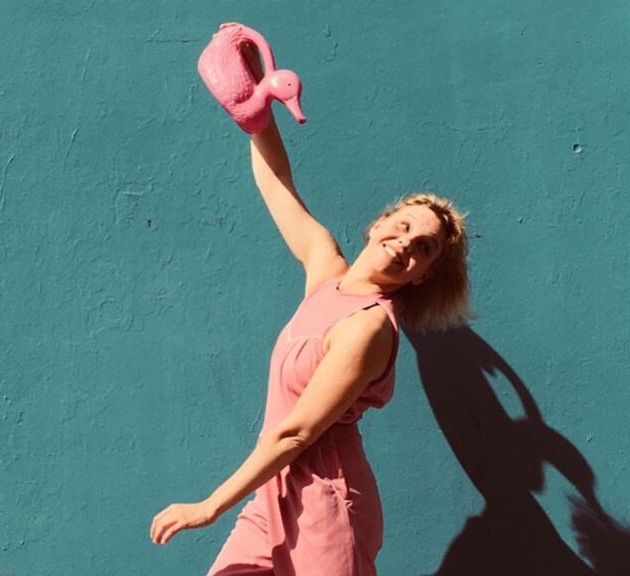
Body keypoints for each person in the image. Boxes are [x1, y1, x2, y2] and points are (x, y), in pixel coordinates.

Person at [149, 35, 472, 575]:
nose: (406, 243)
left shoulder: (369, 327)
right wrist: (251, 97)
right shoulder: (326, 271)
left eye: (424, 249)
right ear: (378, 224)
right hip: (270, 493)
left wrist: (208, 506)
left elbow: (296, 432)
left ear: (423, 274)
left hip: (327, 507)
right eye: (405, 225)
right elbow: (278, 183)